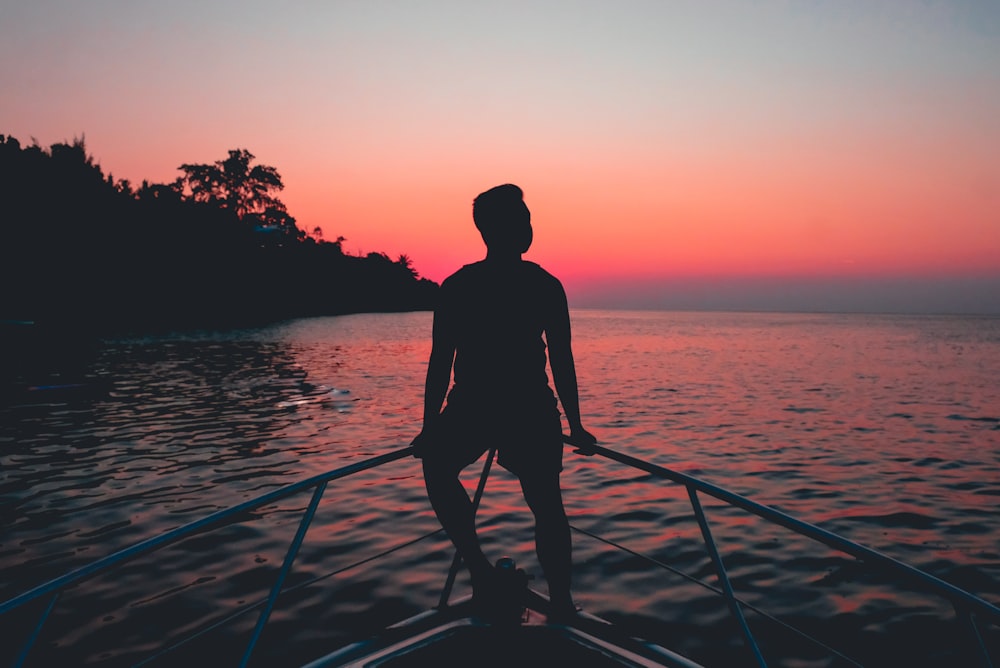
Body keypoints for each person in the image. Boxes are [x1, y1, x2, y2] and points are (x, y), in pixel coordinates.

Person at [411, 183, 596, 618]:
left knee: (442, 470)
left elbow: (441, 362)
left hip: (492, 406)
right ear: (505, 228)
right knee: (546, 504)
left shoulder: (460, 285)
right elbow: (562, 360)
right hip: (517, 407)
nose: (530, 226)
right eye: (524, 218)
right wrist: (574, 425)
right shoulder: (542, 285)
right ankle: (558, 602)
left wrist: (430, 424)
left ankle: (483, 571)